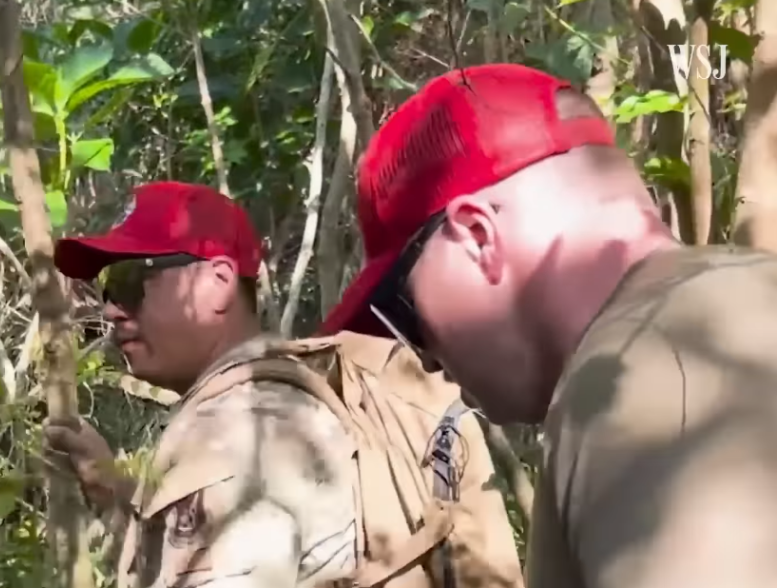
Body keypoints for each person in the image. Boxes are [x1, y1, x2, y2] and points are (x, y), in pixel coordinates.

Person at [320, 62, 777, 588]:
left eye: (404, 313)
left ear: (476, 235)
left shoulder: (645, 376)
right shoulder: (725, 305)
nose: (423, 357)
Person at [47, 181, 524, 588]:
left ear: (217, 283)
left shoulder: (236, 431)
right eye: (109, 288)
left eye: (131, 282)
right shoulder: (291, 400)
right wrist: (112, 495)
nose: (111, 309)